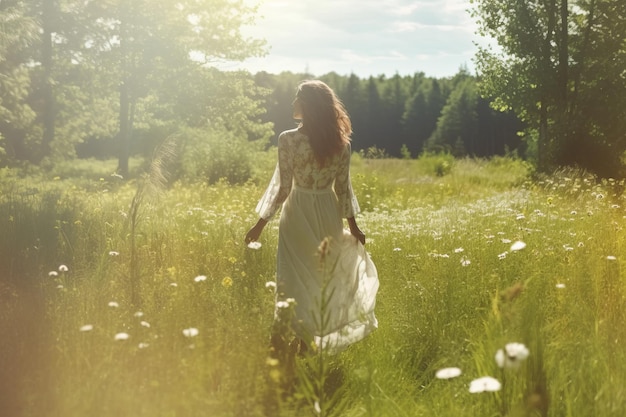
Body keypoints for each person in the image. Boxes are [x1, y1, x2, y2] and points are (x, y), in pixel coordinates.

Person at [245, 80, 379, 357]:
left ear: (307, 105)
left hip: (298, 210)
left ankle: (282, 338)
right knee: (321, 277)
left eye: (297, 98)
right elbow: (342, 189)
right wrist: (354, 227)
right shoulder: (341, 144)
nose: (293, 103)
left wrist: (259, 225)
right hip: (327, 212)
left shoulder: (288, 139)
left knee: (291, 276)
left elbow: (283, 189)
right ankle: (307, 342)